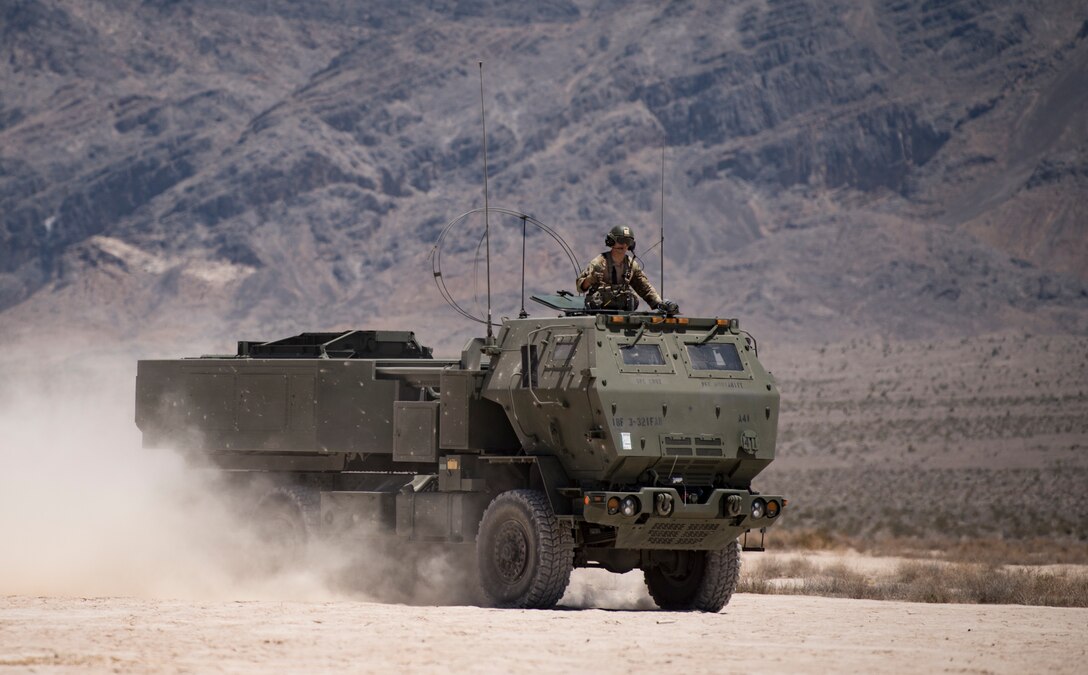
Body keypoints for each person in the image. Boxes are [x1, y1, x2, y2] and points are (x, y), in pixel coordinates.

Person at [576, 225, 679, 314]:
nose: (624, 245)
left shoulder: (632, 265)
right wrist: (590, 279)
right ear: (611, 241)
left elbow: (645, 288)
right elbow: (580, 287)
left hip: (623, 312)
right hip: (598, 312)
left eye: (628, 241)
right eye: (621, 241)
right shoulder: (598, 263)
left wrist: (660, 304)